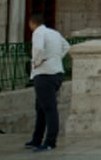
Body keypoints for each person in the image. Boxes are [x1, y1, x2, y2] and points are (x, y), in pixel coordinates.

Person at [25, 12, 71, 152]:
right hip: (56, 72)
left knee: (49, 108)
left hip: (44, 74)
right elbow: (66, 46)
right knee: (40, 107)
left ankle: (50, 141)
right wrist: (55, 58)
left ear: (32, 23)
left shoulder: (38, 32)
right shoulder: (54, 33)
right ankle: (36, 139)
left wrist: (37, 62)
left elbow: (38, 48)